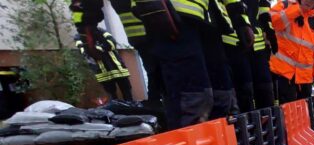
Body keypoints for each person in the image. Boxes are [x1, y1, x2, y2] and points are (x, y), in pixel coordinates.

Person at [70, 0, 253, 129]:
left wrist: (239, 17)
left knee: (223, 100)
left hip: (208, 18)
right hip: (164, 16)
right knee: (192, 101)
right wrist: (87, 24)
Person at [269, 0, 314, 104]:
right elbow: (273, 23)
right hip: (284, 72)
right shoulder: (284, 5)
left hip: (305, 77)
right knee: (287, 111)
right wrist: (296, 10)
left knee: (303, 110)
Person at [74, 28, 133, 101]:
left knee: (127, 92)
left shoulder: (101, 31)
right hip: (102, 72)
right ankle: (117, 110)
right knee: (112, 95)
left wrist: (96, 48)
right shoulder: (79, 37)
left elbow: (112, 44)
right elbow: (84, 52)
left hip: (117, 67)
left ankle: (132, 109)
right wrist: (99, 48)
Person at [246, 0, 279, 108]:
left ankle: (268, 121)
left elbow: (264, 12)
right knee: (246, 90)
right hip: (237, 44)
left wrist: (269, 31)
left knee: (266, 89)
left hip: (259, 46)